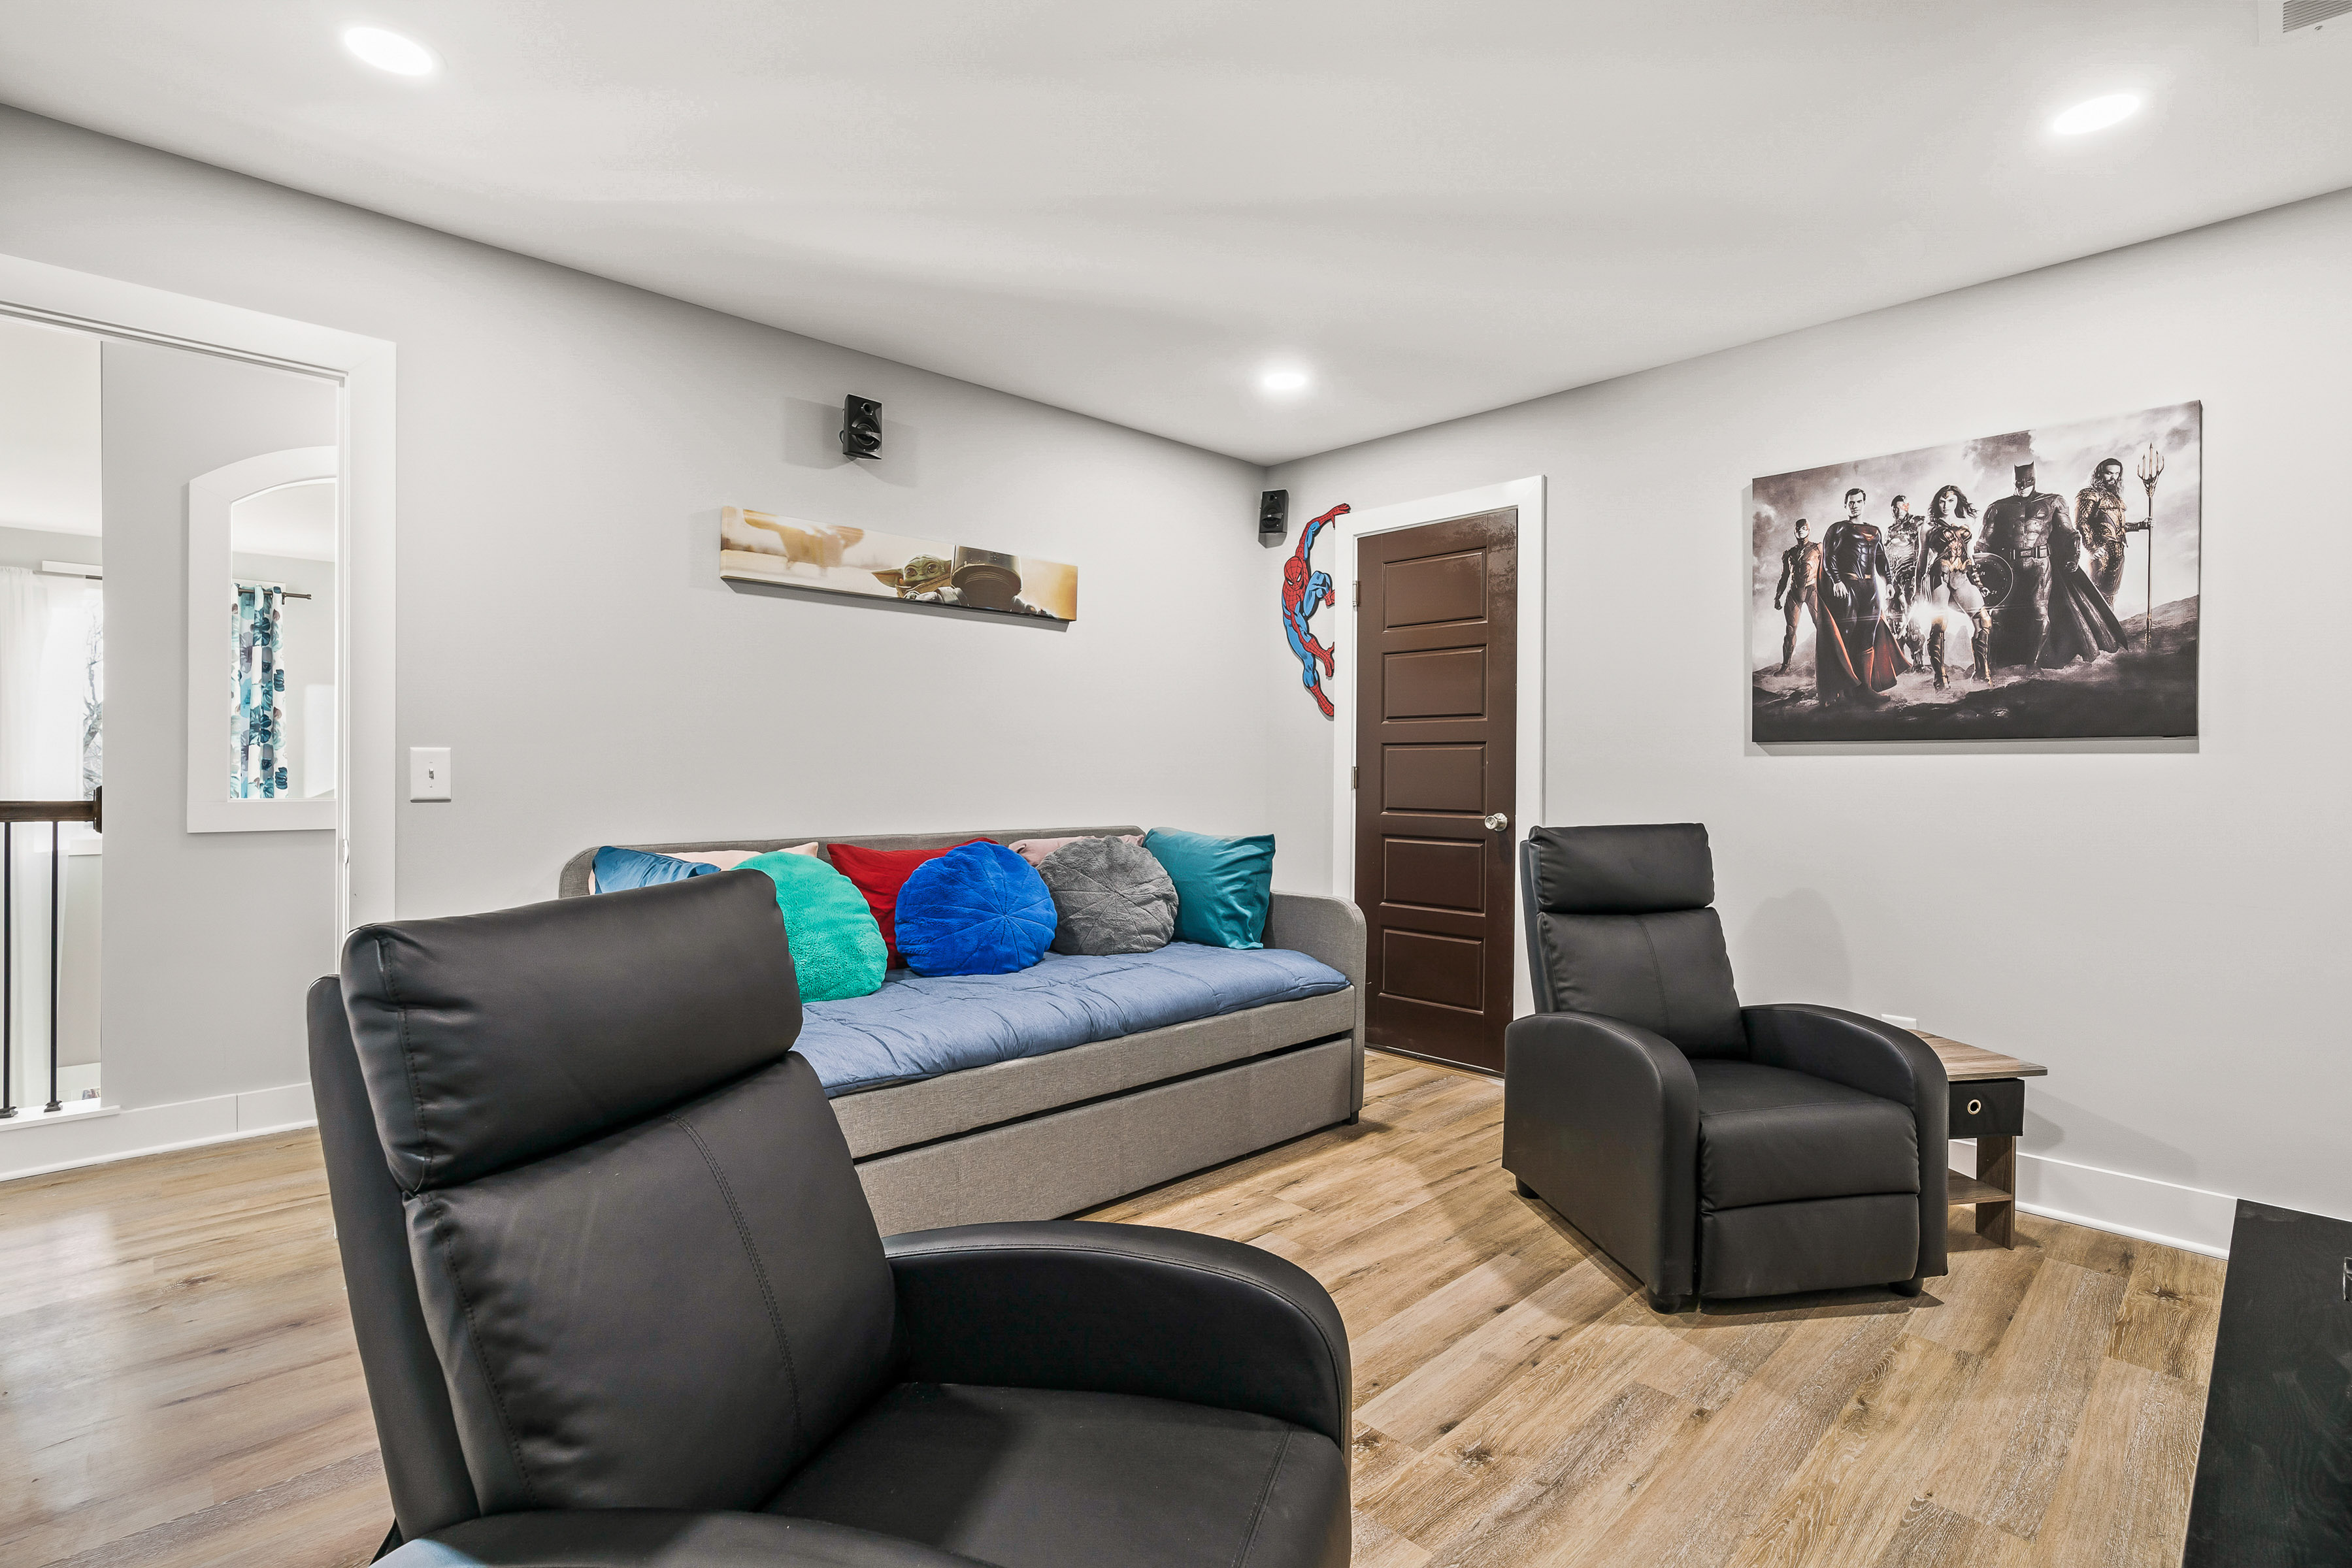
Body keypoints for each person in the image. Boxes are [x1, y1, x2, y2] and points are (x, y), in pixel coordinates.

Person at [1814, 487, 1907, 699]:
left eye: (1858, 502)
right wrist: (1837, 581)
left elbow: (1881, 559)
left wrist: (1890, 582)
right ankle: (1845, 689)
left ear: (1864, 503)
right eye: (1851, 502)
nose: (1854, 505)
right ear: (1845, 505)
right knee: (1847, 635)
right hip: (1848, 588)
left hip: (1871, 590)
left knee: (1868, 636)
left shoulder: (1875, 531)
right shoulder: (1837, 529)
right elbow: (1828, 558)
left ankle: (1865, 689)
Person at [1978, 463, 2071, 670]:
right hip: (2008, 566)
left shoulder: (2053, 502)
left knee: (2040, 613)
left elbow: (2070, 534)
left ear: (2034, 480)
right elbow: (1983, 542)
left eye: (2027, 481)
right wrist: (1978, 567)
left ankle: (2034, 664)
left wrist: (2074, 557)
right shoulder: (1998, 507)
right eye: (2019, 482)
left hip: (2040, 565)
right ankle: (1991, 664)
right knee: (1997, 615)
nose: (2022, 486)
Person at [1915, 485, 1993, 689]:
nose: (1946, 505)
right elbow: (1922, 559)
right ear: (1936, 502)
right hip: (1939, 576)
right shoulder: (1927, 527)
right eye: (1942, 501)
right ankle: (1940, 680)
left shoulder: (1965, 522)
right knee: (1939, 625)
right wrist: (1917, 589)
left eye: (1950, 501)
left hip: (1963, 575)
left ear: (1957, 500)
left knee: (1984, 621)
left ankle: (1982, 675)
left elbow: (1969, 555)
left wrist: (1978, 582)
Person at [2074, 457, 2145, 604]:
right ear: (2100, 473)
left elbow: (2118, 527)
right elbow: (2082, 523)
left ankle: (2107, 627)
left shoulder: (2115, 498)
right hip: (2101, 551)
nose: (2114, 477)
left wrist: (2140, 525)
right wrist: (2092, 548)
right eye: (2109, 473)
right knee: (2094, 595)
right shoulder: (2090, 494)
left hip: (2118, 553)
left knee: (2110, 597)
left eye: (2117, 474)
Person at [1772, 517, 1821, 674]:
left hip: (1812, 590)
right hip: (1794, 592)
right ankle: (1786, 666)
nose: (1801, 531)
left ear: (1809, 530)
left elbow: (1829, 570)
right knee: (1790, 630)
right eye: (1798, 529)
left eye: (1804, 528)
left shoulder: (1818, 549)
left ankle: (1828, 664)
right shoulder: (1789, 554)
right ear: (1795, 531)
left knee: (1822, 628)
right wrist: (1777, 596)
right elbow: (1784, 577)